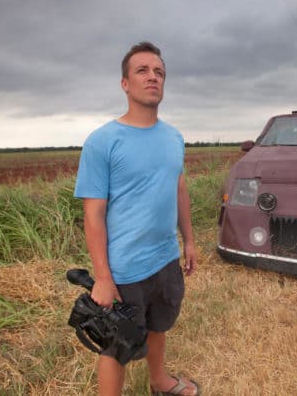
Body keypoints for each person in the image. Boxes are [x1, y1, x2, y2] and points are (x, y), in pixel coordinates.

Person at [74, 41, 200, 396]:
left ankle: (160, 382)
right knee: (117, 345)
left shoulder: (174, 137)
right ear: (125, 84)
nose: (153, 77)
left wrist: (188, 240)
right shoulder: (103, 141)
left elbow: (178, 190)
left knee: (159, 325)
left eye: (159, 72)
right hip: (125, 268)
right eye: (142, 71)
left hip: (165, 259)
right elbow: (93, 214)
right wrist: (102, 277)